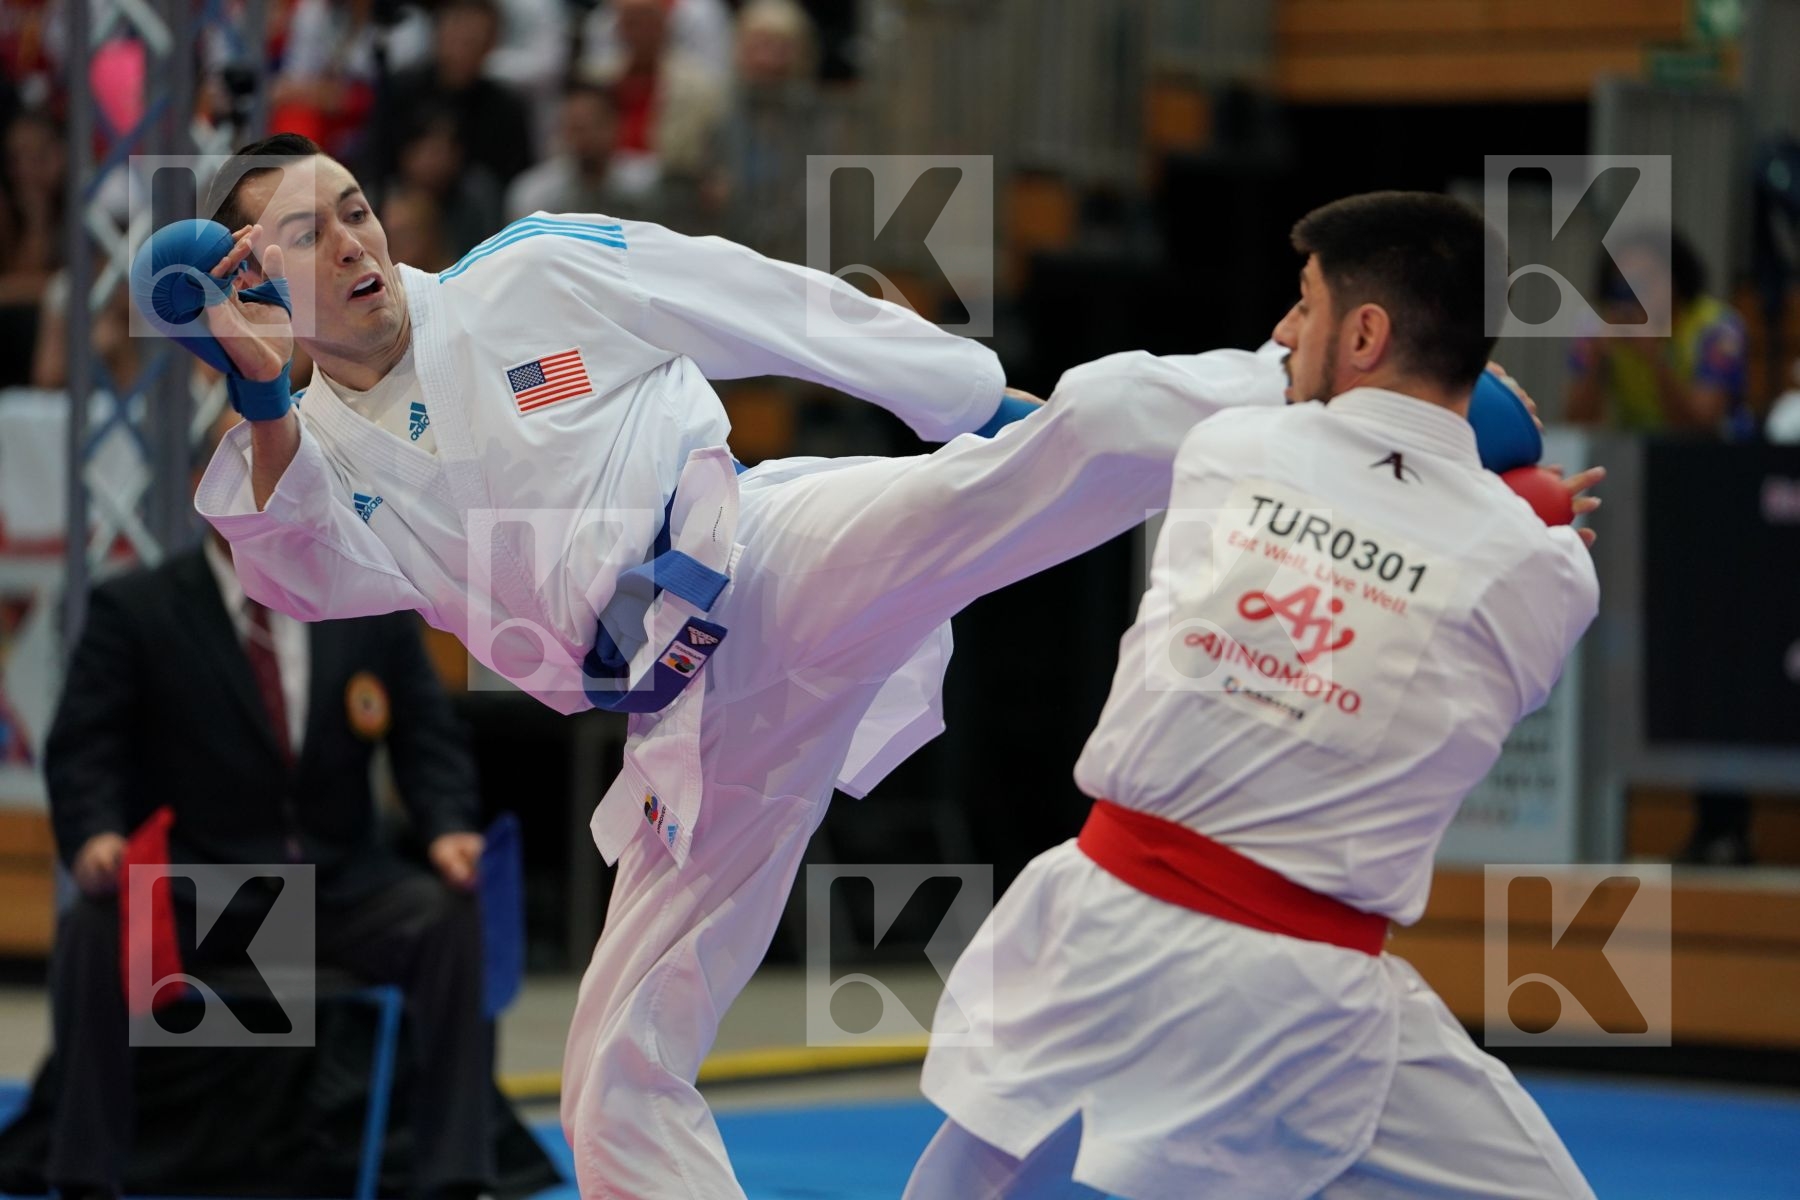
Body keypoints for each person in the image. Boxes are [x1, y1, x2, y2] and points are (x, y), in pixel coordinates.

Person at [144, 127, 1298, 1197]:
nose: (352, 243)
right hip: (695, 738)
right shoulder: (316, 457)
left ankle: (1297, 397)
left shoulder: (530, 276)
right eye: (306, 233)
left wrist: (968, 398)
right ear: (256, 283)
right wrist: (255, 388)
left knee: (1039, 461)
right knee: (611, 1089)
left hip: (768, 559)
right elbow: (289, 569)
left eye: (355, 209)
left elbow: (762, 302)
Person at [909, 192, 1604, 1200]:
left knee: (987, 1161)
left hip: (1102, 917)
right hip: (1302, 989)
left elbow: (1156, 406)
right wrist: (1518, 495)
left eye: (1304, 306)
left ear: (1365, 332)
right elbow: (1456, 549)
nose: (1282, 334)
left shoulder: (1231, 450)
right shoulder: (1544, 573)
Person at [41, 416, 493, 1200]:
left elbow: (428, 736)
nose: (271, 485)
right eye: (248, 464)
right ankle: (85, 1178)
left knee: (447, 917)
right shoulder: (136, 611)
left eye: (289, 466)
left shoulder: (369, 601)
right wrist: (96, 836)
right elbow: (85, 746)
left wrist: (450, 828)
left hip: (338, 887)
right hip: (200, 884)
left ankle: (454, 1178)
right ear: (200, 490)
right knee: (93, 924)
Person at [1566, 228, 1753, 440]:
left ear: (1676, 278)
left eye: (1648, 278)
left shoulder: (1718, 328)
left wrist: (1655, 360)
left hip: (1717, 454)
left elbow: (1702, 425)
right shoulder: (1595, 326)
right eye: (1626, 281)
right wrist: (1596, 362)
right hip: (1637, 452)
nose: (1636, 291)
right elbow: (1577, 423)